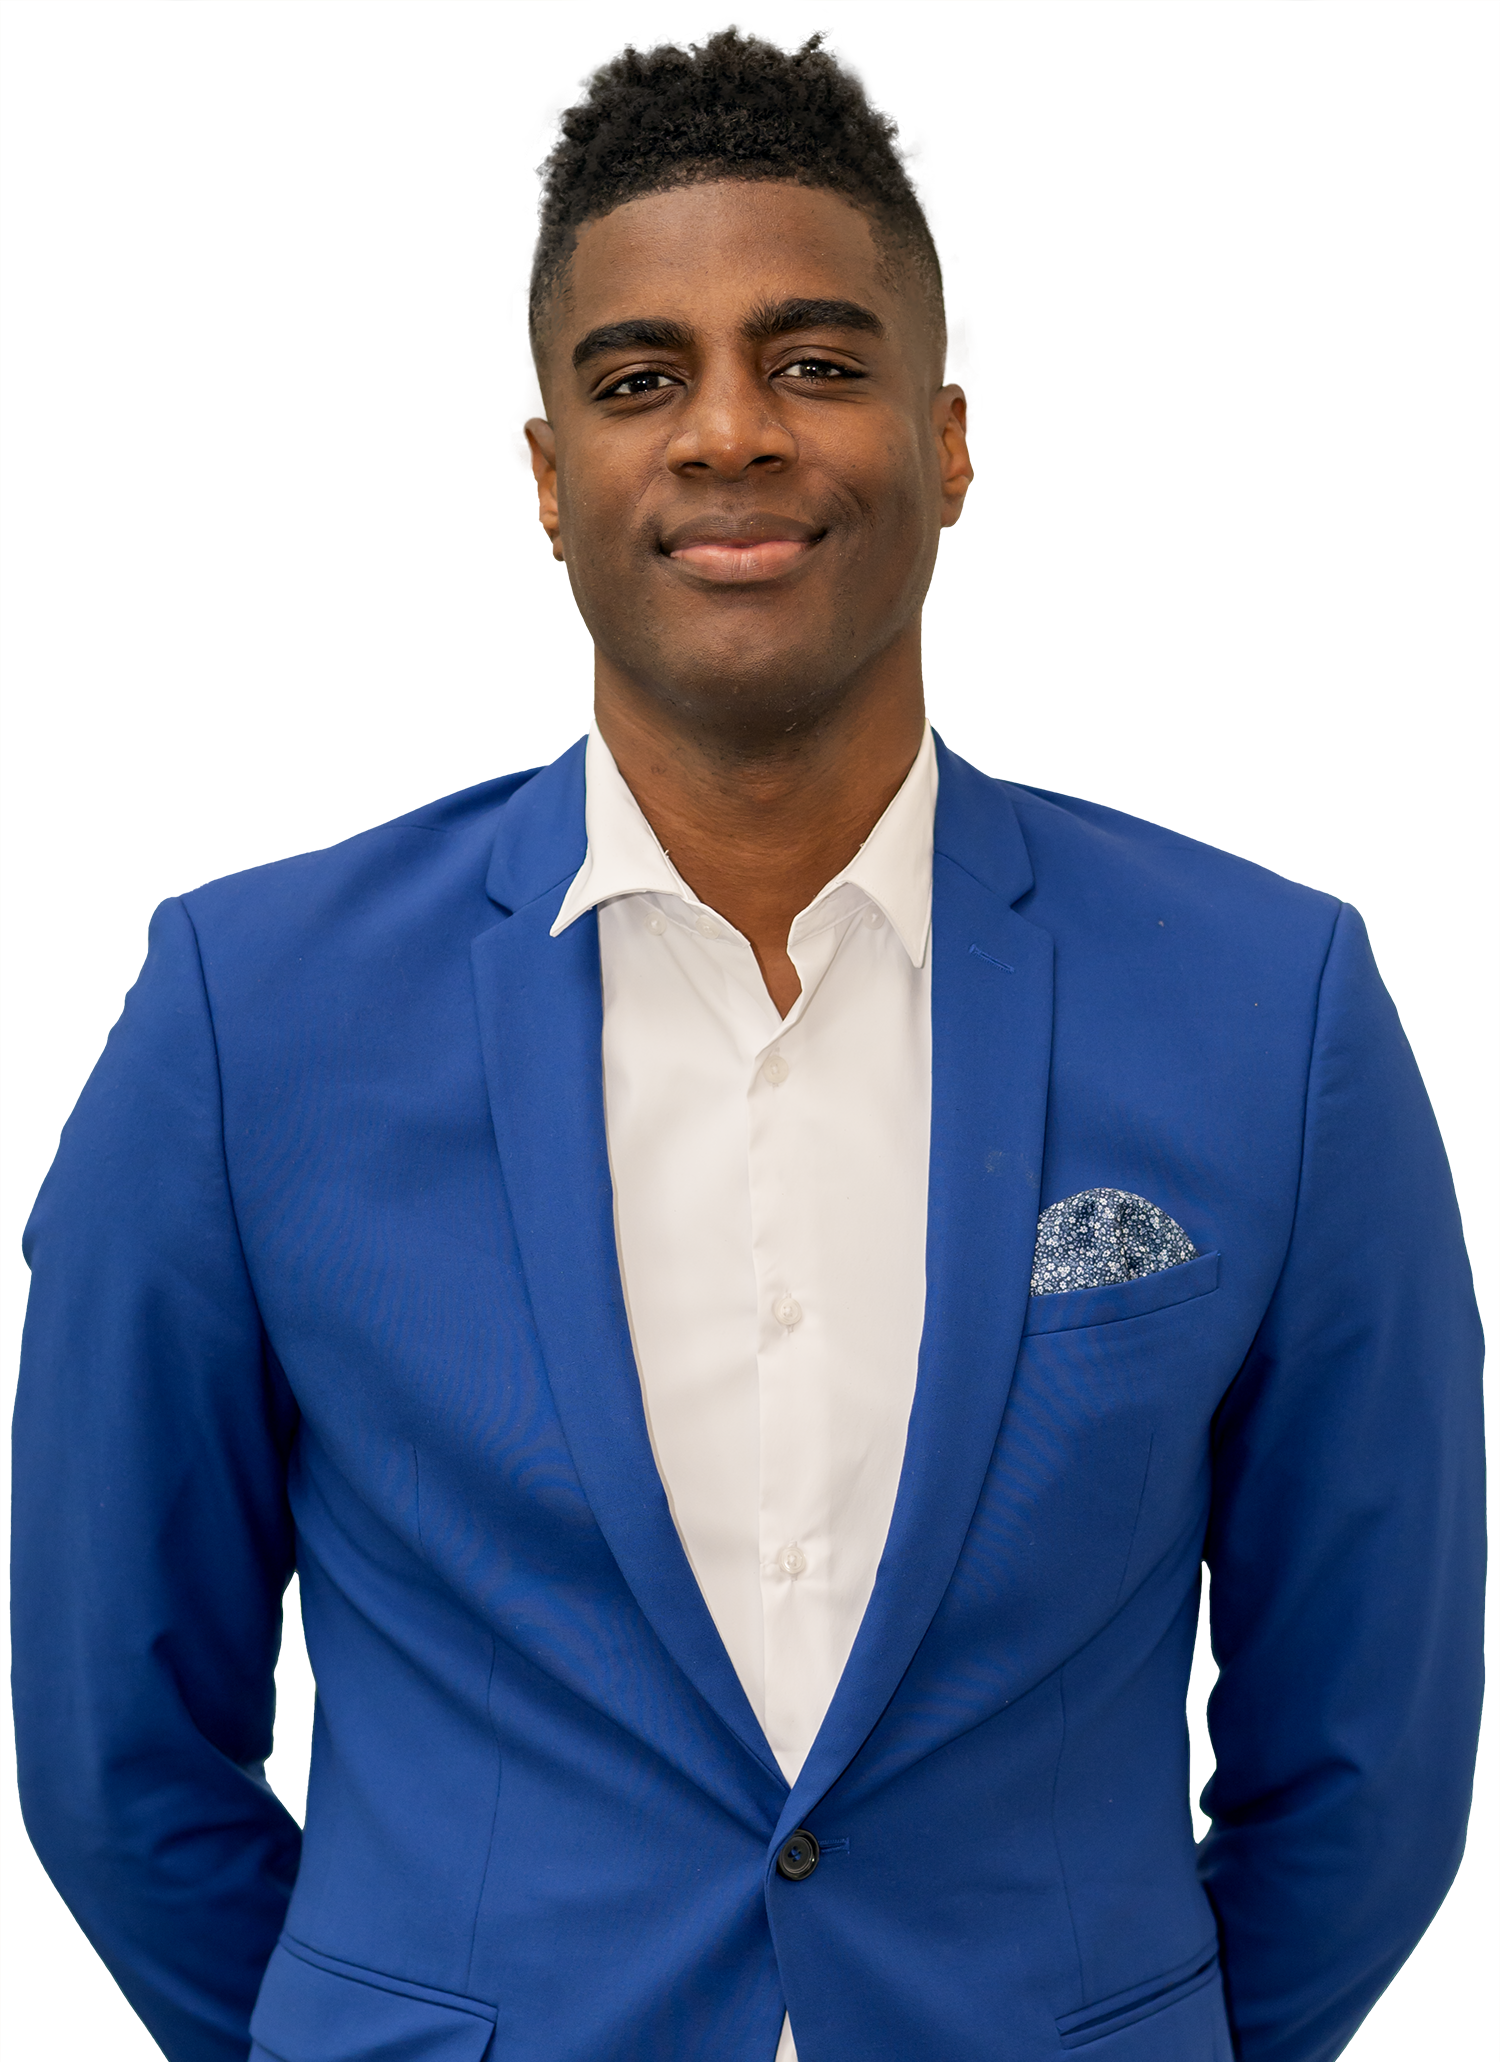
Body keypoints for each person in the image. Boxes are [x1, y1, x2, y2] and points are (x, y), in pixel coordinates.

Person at [12, 15, 1483, 2062]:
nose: (728, 434)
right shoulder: (239, 1013)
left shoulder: (1278, 1002)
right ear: (541, 464)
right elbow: (115, 1746)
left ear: (954, 426)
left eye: (815, 362)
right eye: (640, 378)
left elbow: (1370, 1761)